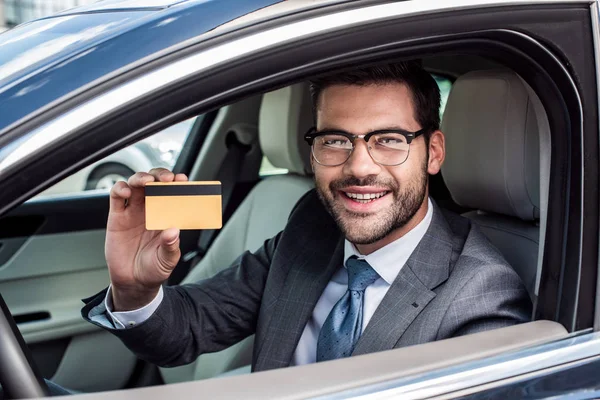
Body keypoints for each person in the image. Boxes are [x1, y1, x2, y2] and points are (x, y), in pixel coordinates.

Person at [82, 62, 532, 372]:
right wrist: (135, 289)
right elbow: (188, 330)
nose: (359, 167)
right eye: (336, 140)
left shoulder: (481, 294)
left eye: (389, 140)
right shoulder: (312, 225)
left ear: (433, 153)